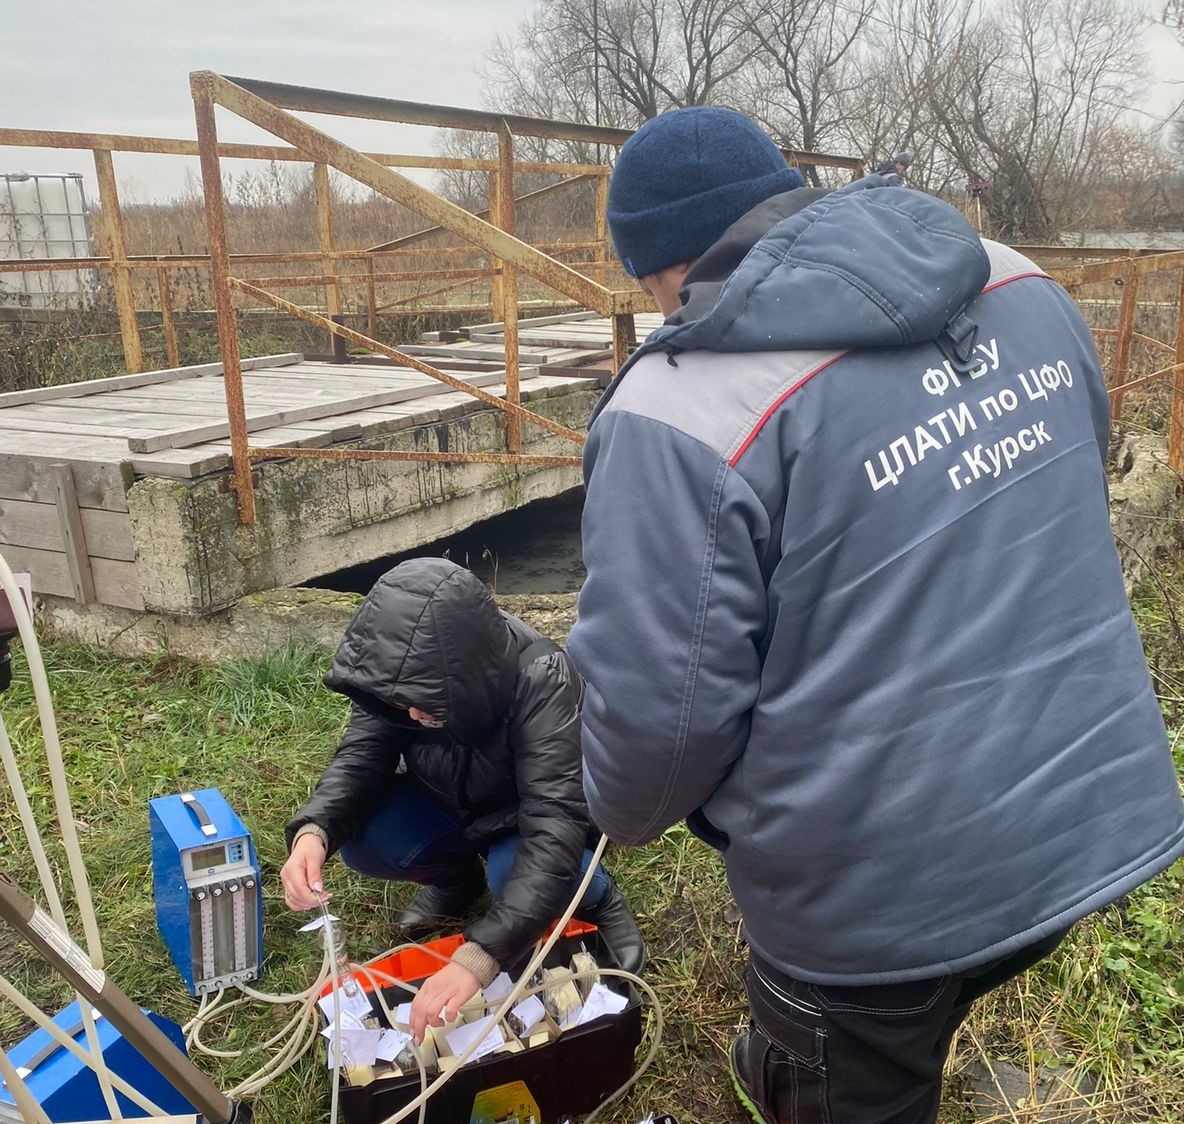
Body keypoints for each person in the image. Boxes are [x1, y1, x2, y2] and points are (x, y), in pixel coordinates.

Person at [567, 105, 1184, 1124]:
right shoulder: (1015, 280)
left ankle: (812, 1064)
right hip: (1083, 812)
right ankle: (809, 1054)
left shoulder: (676, 408)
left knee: (853, 1058)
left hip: (874, 910)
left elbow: (654, 735)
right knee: (907, 1007)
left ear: (659, 273)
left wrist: (608, 803)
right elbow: (1054, 495)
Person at [281, 557, 645, 1043]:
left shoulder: (542, 678)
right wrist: (315, 831)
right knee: (366, 841)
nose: (408, 713)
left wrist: (479, 959)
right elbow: (362, 756)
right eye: (399, 702)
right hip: (446, 801)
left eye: (424, 703)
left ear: (464, 675)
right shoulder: (397, 681)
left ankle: (599, 899)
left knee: (513, 872)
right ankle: (456, 882)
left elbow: (556, 824)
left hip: (519, 818)